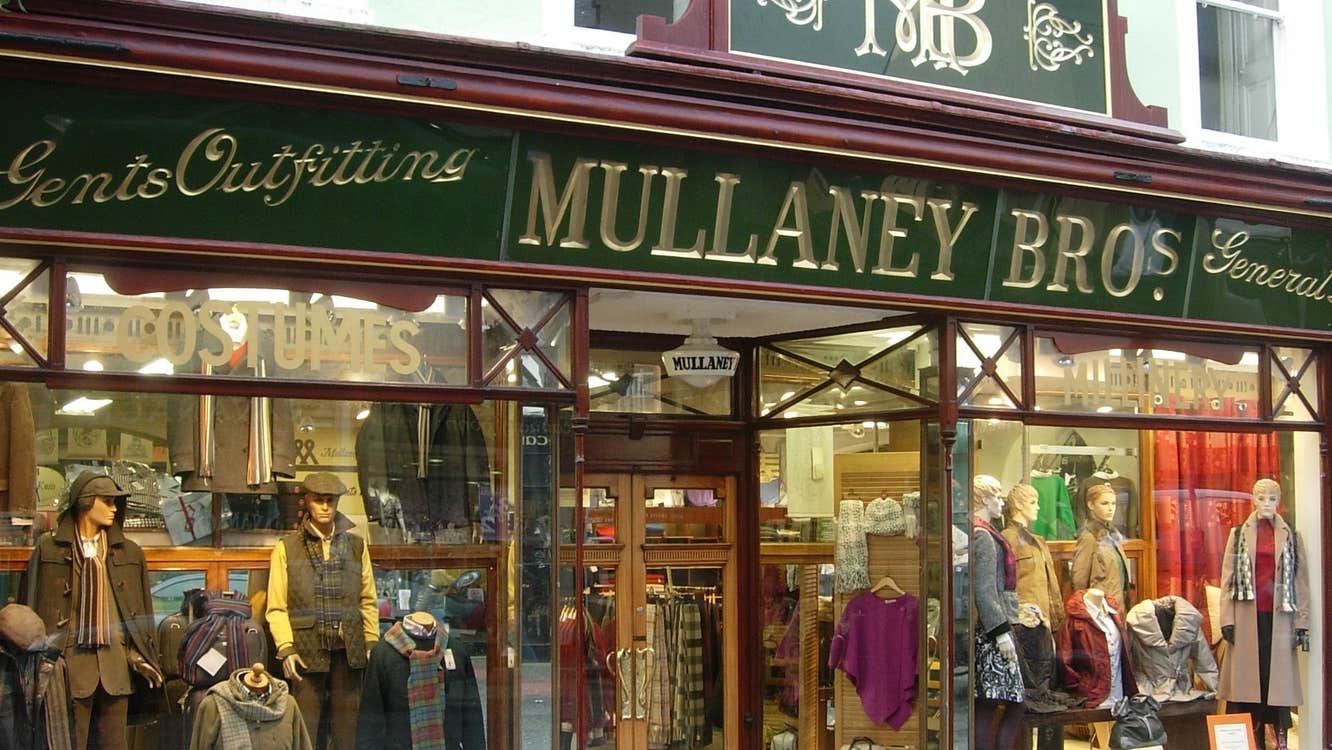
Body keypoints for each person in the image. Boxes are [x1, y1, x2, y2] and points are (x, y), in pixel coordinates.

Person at [23, 471, 163, 750]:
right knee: (66, 743)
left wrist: (138, 655)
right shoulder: (49, 550)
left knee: (114, 744)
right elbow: (30, 607)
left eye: (115, 502)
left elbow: (141, 612)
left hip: (117, 669)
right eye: (107, 501)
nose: (114, 508)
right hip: (68, 668)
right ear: (85, 502)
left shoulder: (129, 553)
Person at [266, 472, 379, 750]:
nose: (325, 507)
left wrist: (371, 641)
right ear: (307, 501)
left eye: (331, 500)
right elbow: (277, 607)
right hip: (306, 652)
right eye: (319, 500)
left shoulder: (357, 546)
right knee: (305, 731)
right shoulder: (286, 548)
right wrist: (286, 647)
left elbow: (368, 599)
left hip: (349, 651)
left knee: (348, 733)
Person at [1219, 479, 1310, 750]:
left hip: (1280, 617)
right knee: (1248, 682)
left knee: (1277, 682)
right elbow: (1227, 579)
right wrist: (1227, 619)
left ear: (1279, 501)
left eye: (1272, 498)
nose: (1267, 503)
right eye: (1261, 498)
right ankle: (1253, 736)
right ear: (1253, 499)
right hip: (1246, 617)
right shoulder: (1238, 534)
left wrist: (1302, 623)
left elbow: (1300, 581)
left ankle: (1280, 734)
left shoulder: (1291, 535)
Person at [970, 475, 1024, 750]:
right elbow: (984, 589)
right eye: (997, 496)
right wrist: (1001, 634)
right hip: (992, 631)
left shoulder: (984, 532)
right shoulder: (983, 537)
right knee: (1008, 701)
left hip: (993, 626)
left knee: (991, 701)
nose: (1002, 501)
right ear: (983, 498)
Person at [1071, 483, 1131, 608]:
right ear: (1091, 505)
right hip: (1100, 608)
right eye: (1104, 503)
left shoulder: (1112, 534)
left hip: (1117, 605)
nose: (1110, 508)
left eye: (1113, 503)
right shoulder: (1089, 537)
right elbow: (1079, 580)